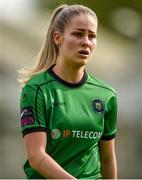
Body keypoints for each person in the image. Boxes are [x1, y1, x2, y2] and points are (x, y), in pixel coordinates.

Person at [19, 4, 118, 179]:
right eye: (78, 34)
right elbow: (36, 156)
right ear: (58, 38)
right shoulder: (36, 90)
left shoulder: (106, 95)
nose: (86, 42)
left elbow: (108, 159)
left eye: (92, 36)